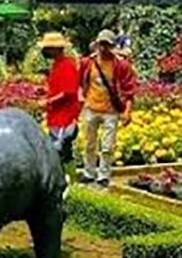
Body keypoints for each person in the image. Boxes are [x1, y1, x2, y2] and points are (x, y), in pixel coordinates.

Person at [79, 29, 137, 186]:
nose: (103, 48)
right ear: (97, 45)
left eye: (107, 45)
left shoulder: (121, 65)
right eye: (101, 44)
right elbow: (80, 83)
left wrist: (127, 111)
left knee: (107, 146)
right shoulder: (87, 62)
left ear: (112, 46)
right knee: (90, 144)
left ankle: (104, 175)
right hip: (91, 108)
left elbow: (129, 90)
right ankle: (88, 172)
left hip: (110, 111)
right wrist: (80, 99)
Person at [37, 32, 81, 176]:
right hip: (55, 116)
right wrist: (44, 91)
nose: (45, 51)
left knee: (60, 150)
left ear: (56, 49)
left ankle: (67, 177)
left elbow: (69, 92)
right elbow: (58, 87)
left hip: (65, 117)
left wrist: (48, 101)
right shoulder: (56, 65)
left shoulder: (67, 65)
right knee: (57, 149)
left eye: (48, 48)